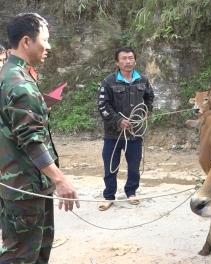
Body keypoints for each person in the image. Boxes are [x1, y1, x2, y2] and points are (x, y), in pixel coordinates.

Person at [0, 13, 80, 263]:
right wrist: (61, 180)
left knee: (37, 250)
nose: (49, 46)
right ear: (26, 41)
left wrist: (40, 107)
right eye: (45, 40)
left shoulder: (9, 73)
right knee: (21, 255)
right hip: (26, 188)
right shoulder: (20, 82)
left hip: (18, 182)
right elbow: (31, 140)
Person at [97, 46, 154, 211]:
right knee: (110, 167)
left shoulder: (142, 80)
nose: (128, 61)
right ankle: (109, 196)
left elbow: (149, 96)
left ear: (135, 60)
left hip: (134, 134)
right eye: (124, 58)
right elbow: (102, 105)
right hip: (113, 135)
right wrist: (118, 120)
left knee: (134, 166)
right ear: (117, 62)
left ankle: (131, 192)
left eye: (130, 58)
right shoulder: (109, 81)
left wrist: (147, 111)